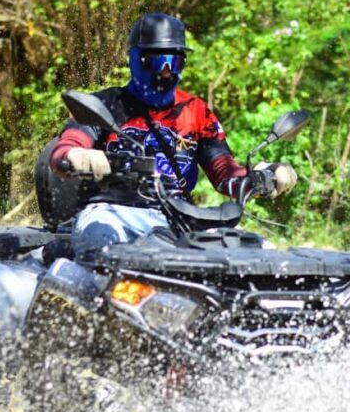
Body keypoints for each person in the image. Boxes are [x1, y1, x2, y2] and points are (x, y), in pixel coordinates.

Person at [50, 13, 297, 254]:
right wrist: (77, 155)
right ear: (136, 60)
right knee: (98, 238)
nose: (166, 71)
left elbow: (224, 171)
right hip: (114, 211)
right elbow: (67, 146)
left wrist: (263, 176)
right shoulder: (103, 105)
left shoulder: (196, 111)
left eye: (175, 61)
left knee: (260, 251)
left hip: (180, 217)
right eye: (157, 61)